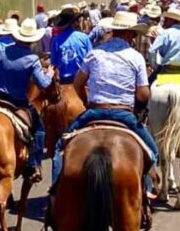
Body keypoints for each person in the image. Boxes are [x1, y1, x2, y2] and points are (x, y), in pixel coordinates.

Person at [50, 11, 158, 186]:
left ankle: (56, 192)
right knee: (152, 151)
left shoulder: (95, 53)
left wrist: (86, 102)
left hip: (95, 111)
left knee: (60, 147)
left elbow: (78, 83)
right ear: (131, 33)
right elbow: (143, 94)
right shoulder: (136, 57)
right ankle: (146, 194)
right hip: (124, 115)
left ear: (115, 31)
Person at [0, 18, 52, 181]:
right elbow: (42, 84)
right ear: (32, 40)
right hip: (18, 102)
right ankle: (34, 164)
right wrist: (49, 74)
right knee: (40, 130)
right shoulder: (32, 59)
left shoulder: (2, 52)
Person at [51, 7, 92, 84]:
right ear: (74, 22)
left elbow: (54, 64)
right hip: (82, 80)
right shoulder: (84, 38)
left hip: (63, 80)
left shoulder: (56, 40)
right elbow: (91, 61)